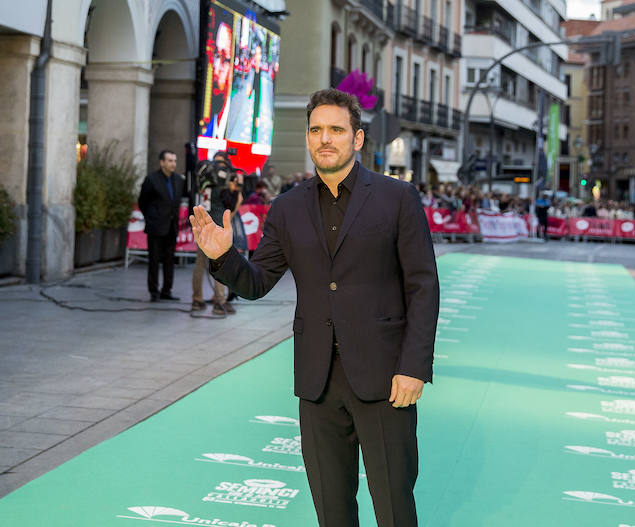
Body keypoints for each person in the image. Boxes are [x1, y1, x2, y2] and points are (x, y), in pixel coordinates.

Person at [190, 88, 439, 527]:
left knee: (395, 506)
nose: (326, 138)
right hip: (317, 382)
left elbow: (423, 286)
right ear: (308, 138)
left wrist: (414, 367)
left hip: (385, 378)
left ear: (357, 139)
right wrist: (223, 257)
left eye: (337, 130)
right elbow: (257, 282)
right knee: (331, 511)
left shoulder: (396, 198)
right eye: (317, 130)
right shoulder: (286, 208)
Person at [138, 150, 185, 302]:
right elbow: (142, 201)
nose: (173, 164)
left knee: (169, 260)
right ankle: (153, 291)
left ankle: (167, 290)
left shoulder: (178, 180)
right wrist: (151, 217)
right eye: (170, 161)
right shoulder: (151, 180)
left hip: (172, 226)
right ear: (162, 162)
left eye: (175, 161)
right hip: (156, 226)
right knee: (154, 259)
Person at [191, 151, 232, 316]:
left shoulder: (203, 177)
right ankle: (219, 302)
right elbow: (230, 202)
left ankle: (197, 300)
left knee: (200, 264)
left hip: (202, 222)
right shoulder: (221, 181)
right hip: (216, 225)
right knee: (219, 264)